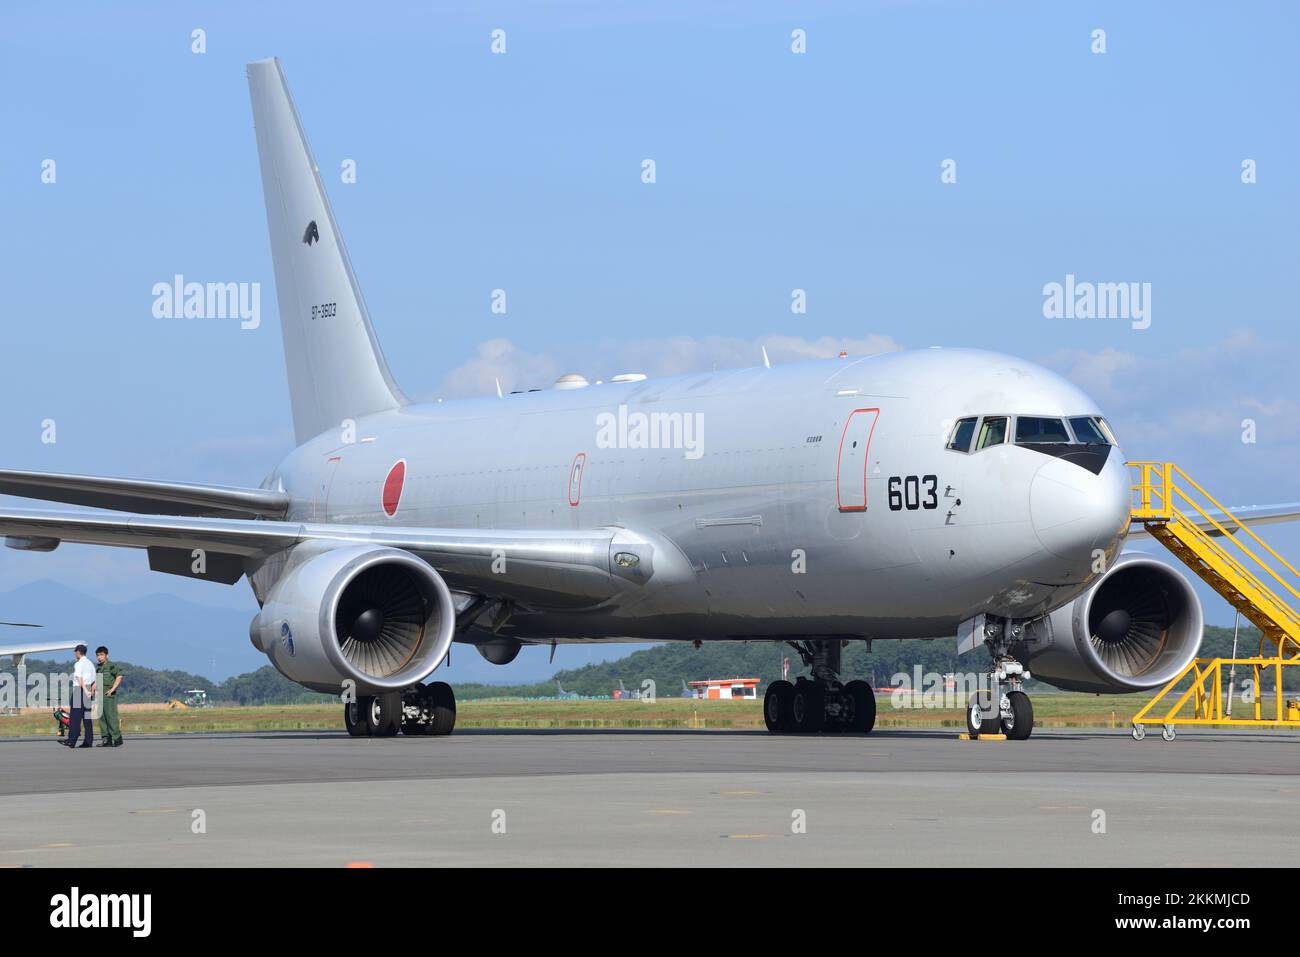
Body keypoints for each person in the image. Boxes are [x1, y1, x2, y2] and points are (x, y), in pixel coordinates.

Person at [64, 644, 95, 749]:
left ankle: (71, 741)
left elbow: (78, 678)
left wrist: (85, 691)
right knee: (87, 718)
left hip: (79, 691)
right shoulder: (91, 664)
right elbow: (94, 681)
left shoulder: (79, 663)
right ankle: (88, 741)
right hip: (89, 690)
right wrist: (91, 691)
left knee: (75, 718)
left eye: (75, 652)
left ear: (78, 652)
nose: (74, 654)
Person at [95, 646, 124, 747]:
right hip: (100, 696)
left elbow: (119, 676)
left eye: (101, 655)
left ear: (107, 655)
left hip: (109, 695)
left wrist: (113, 689)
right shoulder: (98, 668)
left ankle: (117, 738)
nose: (99, 657)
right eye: (98, 655)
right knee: (102, 718)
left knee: (111, 717)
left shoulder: (111, 666)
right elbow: (97, 682)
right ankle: (106, 739)